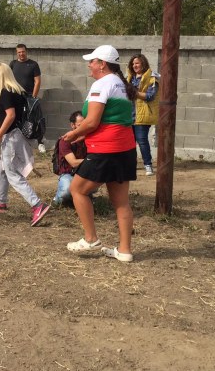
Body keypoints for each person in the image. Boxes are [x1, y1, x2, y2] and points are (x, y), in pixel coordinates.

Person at [63, 45, 137, 263]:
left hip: (105, 150)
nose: (89, 64)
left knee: (77, 189)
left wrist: (73, 133)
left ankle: (90, 238)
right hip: (125, 149)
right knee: (121, 202)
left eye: (92, 61)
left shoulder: (101, 84)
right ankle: (124, 251)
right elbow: (110, 120)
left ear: (102, 64)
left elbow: (93, 121)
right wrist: (82, 136)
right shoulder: (121, 84)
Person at [0, 63, 51, 227]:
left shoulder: (6, 92)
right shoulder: (17, 91)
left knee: (13, 174)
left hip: (12, 139)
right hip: (17, 134)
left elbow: (11, 115)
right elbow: (16, 117)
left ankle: (37, 205)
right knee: (0, 167)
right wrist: (1, 127)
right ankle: (1, 200)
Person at [10, 43, 46, 153]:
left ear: (26, 51)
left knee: (35, 119)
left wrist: (33, 97)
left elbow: (37, 81)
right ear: (17, 53)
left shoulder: (33, 64)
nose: (21, 54)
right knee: (17, 120)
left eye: (23, 52)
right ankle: (18, 143)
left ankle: (40, 143)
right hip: (16, 96)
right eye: (19, 52)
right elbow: (9, 79)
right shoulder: (13, 64)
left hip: (30, 97)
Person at [127, 54, 159, 176]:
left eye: (137, 63)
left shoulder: (152, 78)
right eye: (133, 63)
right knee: (130, 142)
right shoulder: (129, 78)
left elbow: (150, 96)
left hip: (143, 115)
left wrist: (134, 92)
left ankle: (148, 165)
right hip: (129, 115)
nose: (135, 65)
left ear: (143, 64)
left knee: (142, 141)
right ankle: (131, 165)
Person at [53, 111, 87, 207]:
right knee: (66, 191)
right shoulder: (65, 140)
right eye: (80, 125)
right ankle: (57, 199)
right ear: (72, 125)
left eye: (85, 125)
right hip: (68, 173)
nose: (84, 128)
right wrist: (92, 160)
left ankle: (81, 196)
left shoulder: (88, 139)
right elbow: (74, 163)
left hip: (84, 172)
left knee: (94, 185)